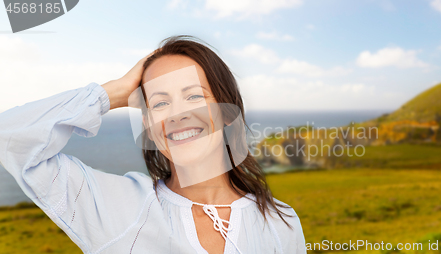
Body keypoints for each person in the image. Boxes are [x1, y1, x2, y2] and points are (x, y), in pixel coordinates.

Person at [0, 35, 306, 254]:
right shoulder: (114, 206)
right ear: (147, 125)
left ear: (227, 112)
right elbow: (8, 136)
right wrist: (110, 95)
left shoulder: (282, 222)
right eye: (160, 103)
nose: (178, 114)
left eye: (195, 96)